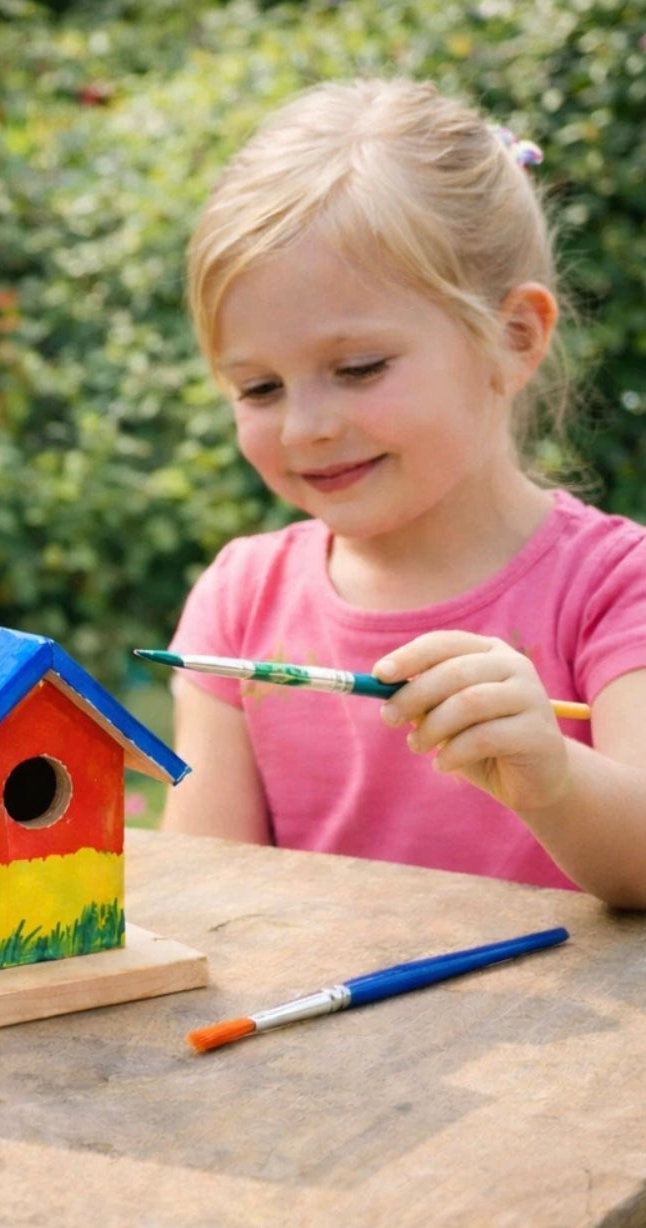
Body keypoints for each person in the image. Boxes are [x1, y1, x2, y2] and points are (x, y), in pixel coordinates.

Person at [162, 78, 646, 907]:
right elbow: (211, 888)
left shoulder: (614, 587)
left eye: (358, 370)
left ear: (514, 338)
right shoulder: (240, 599)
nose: (305, 428)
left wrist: (555, 780)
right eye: (259, 388)